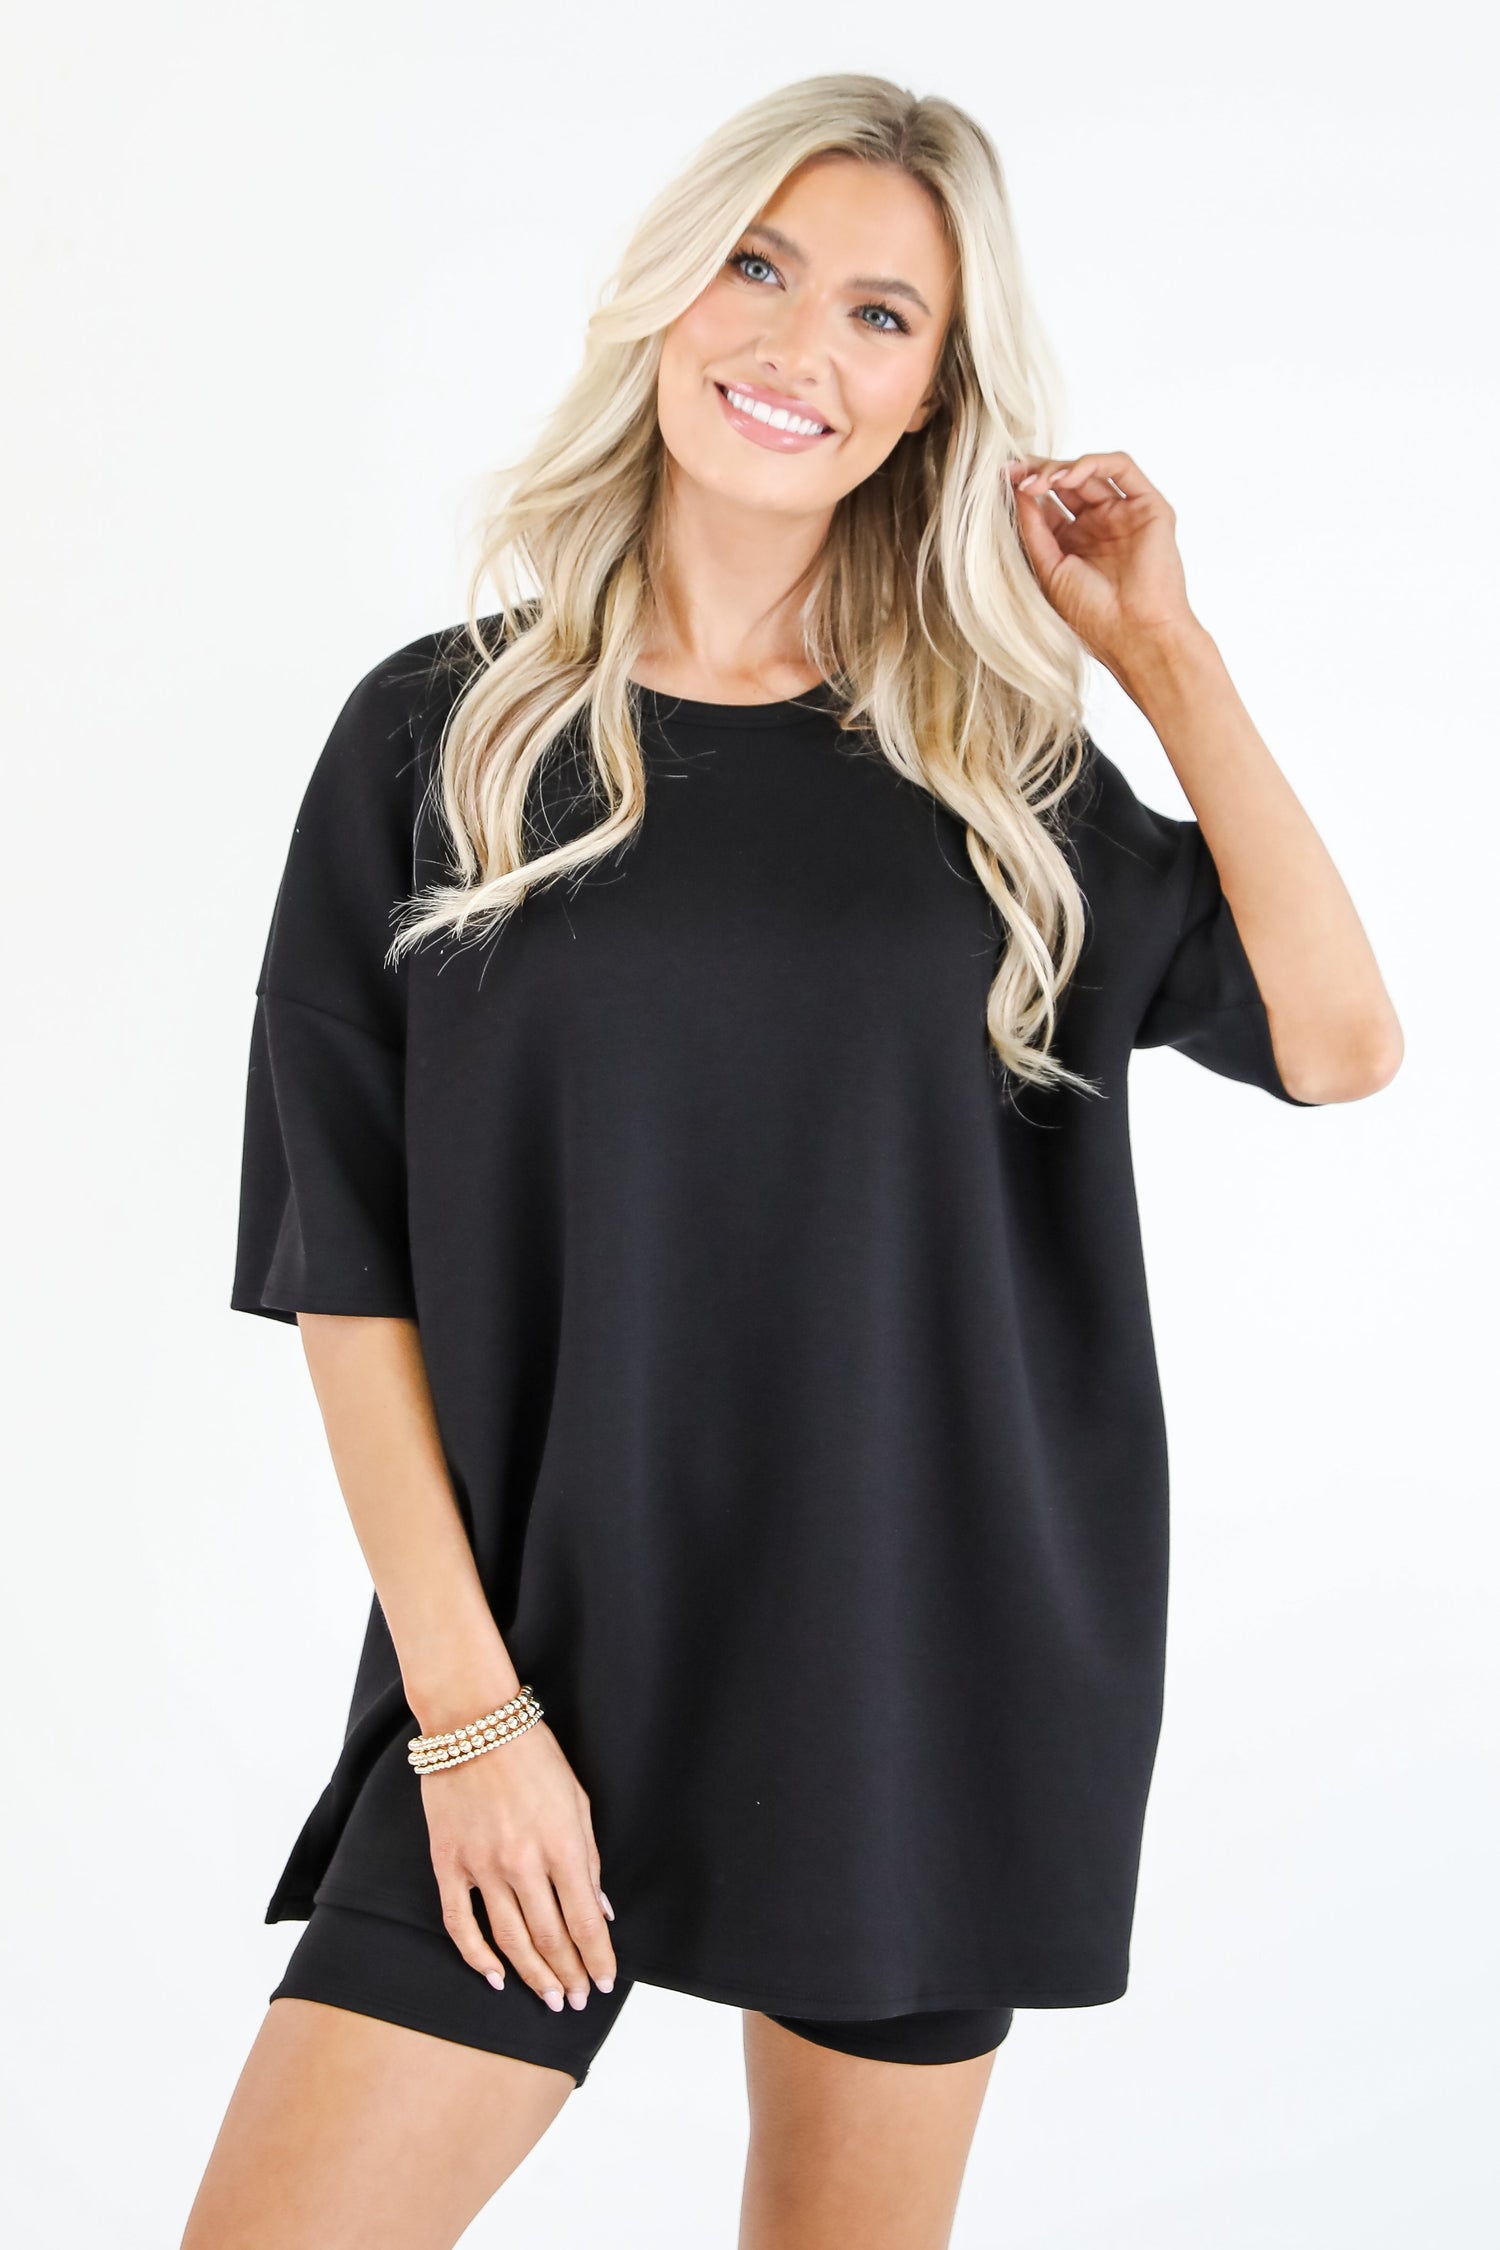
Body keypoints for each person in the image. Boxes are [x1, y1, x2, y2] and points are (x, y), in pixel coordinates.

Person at [182, 71, 1401, 2250]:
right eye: (758, 267)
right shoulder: (436, 736)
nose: (795, 345)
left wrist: (1164, 656)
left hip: (912, 1660)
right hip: (530, 1662)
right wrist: (467, 1719)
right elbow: (344, 1268)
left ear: (932, 399)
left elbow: (1340, 1041)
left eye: (879, 314)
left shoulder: (993, 775)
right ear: (670, 294)